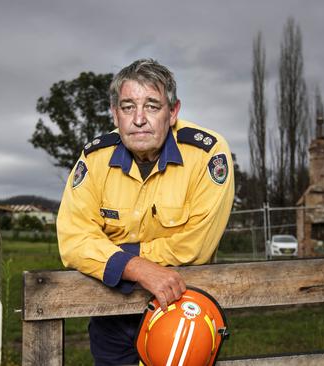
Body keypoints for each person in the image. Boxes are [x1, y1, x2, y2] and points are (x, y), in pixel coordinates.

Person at [56, 58, 234, 365]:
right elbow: (73, 240)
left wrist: (112, 257)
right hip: (110, 311)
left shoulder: (207, 154)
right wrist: (136, 268)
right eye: (128, 107)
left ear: (173, 112)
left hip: (181, 312)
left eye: (152, 105)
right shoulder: (95, 157)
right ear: (115, 114)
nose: (139, 118)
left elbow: (195, 247)